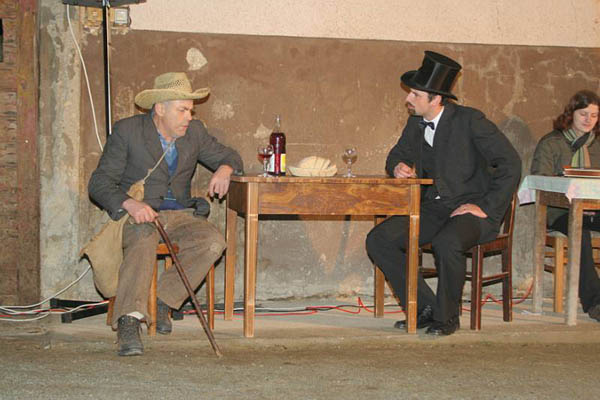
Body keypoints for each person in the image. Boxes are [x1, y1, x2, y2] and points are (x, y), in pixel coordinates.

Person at [366, 51, 521, 336]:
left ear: (435, 99)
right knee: (379, 239)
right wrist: (397, 166)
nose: (408, 99)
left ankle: (447, 317)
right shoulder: (415, 123)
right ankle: (425, 307)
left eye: (415, 94)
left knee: (447, 242)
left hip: (473, 210)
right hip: (435, 208)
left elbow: (511, 163)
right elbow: (396, 156)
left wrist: (486, 206)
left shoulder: (470, 120)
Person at [88, 72, 243, 356]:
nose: (188, 117)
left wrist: (225, 169)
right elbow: (99, 183)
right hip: (139, 214)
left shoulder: (195, 132)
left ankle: (163, 300)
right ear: (160, 108)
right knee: (143, 237)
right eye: (182, 110)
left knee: (212, 242)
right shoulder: (128, 131)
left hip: (180, 214)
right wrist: (130, 204)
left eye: (190, 110)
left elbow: (230, 155)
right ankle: (129, 320)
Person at [530, 89, 600, 322]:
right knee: (580, 231)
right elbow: (540, 180)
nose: (588, 120)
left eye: (594, 115)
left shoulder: (597, 145)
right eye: (583, 114)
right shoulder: (552, 143)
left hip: (594, 208)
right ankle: (595, 302)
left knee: (584, 223)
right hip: (559, 212)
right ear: (571, 114)